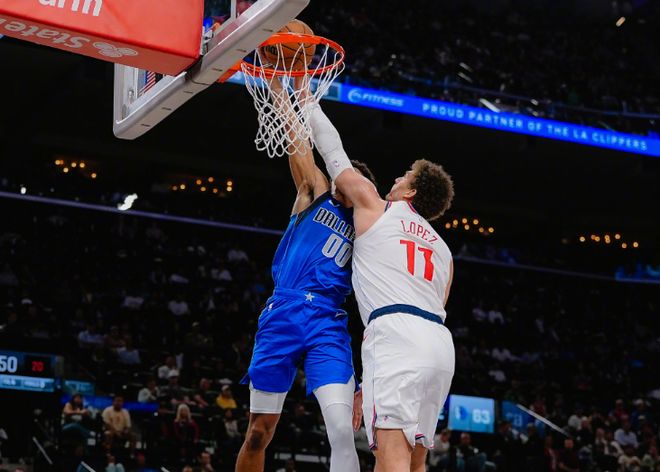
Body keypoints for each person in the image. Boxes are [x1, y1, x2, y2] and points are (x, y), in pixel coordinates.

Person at [236, 77, 377, 472]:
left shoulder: (368, 225)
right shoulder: (316, 191)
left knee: (342, 431)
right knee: (258, 432)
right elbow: (298, 139)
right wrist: (280, 91)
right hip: (285, 310)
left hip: (328, 320)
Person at [309, 102, 455, 471]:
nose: (397, 178)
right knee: (416, 460)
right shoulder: (444, 251)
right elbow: (439, 303)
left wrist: (306, 99)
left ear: (410, 193)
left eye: (405, 176)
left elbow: (333, 153)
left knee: (391, 456)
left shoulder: (376, 207)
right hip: (439, 345)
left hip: (395, 335)